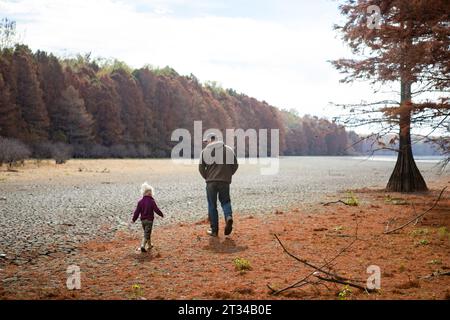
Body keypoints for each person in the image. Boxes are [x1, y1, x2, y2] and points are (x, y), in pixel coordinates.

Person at [199, 134, 239, 237]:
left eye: (206, 141)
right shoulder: (229, 150)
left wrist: (207, 177)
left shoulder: (204, 152)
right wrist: (228, 175)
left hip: (211, 182)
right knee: (225, 202)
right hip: (225, 181)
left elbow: (201, 168)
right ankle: (228, 217)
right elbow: (235, 165)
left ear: (210, 141)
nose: (206, 143)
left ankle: (214, 230)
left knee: (212, 205)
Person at [131, 182, 164, 252]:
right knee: (147, 233)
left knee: (147, 232)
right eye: (150, 192)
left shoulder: (140, 202)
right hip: (149, 220)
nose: (150, 193)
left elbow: (137, 212)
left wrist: (134, 219)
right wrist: (161, 214)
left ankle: (149, 245)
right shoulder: (152, 201)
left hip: (143, 221)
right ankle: (142, 245)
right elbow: (156, 209)